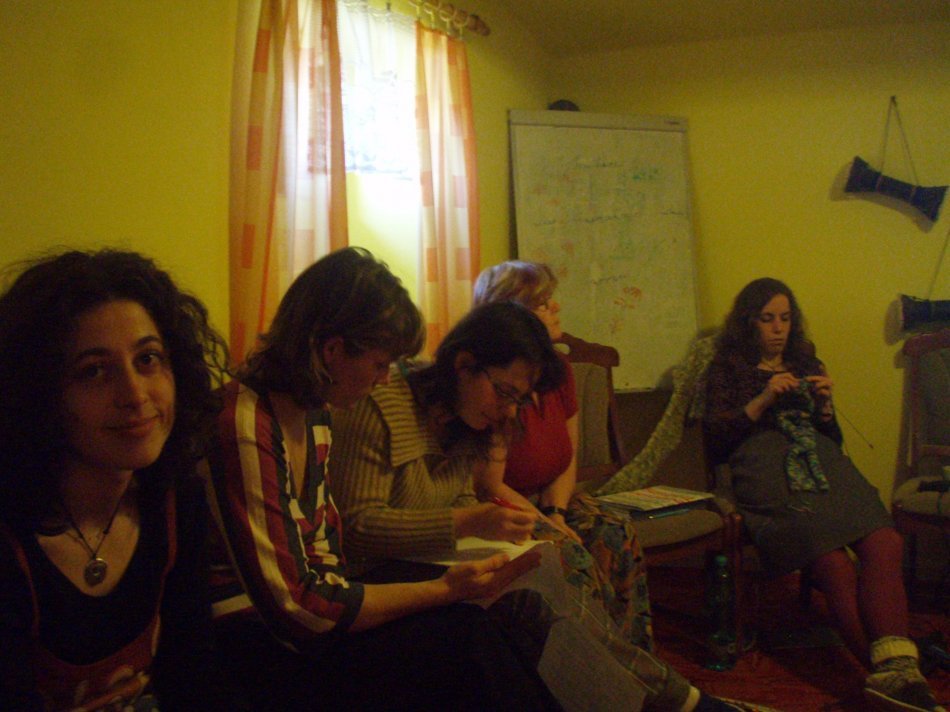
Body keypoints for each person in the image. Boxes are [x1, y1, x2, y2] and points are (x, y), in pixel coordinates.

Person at [331, 298, 768, 712]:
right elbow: (356, 528)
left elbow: (458, 496)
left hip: (427, 562)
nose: (509, 411)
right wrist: (468, 521)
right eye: (504, 392)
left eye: (518, 400)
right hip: (379, 579)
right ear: (463, 364)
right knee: (529, 605)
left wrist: (486, 526)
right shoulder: (381, 407)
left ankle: (665, 699)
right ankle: (677, 700)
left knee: (545, 571)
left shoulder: (467, 423)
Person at [204, 247, 560, 711]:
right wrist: (443, 590)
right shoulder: (245, 423)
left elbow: (325, 556)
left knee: (487, 626)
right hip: (254, 646)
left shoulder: (313, 414)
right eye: (379, 364)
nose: (386, 379)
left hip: (313, 625)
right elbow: (299, 609)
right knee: (465, 639)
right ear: (332, 350)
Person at [0, 249, 237, 710]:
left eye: (147, 359)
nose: (135, 394)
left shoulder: (175, 499)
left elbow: (194, 674)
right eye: (94, 371)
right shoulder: (11, 540)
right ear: (39, 392)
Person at [703, 277, 944, 712]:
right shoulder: (727, 367)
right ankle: (894, 676)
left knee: (884, 540)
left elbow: (830, 438)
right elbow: (716, 440)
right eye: (767, 319)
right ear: (748, 322)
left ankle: (896, 674)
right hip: (762, 465)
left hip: (821, 460)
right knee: (831, 561)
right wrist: (762, 399)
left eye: (785, 318)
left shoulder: (806, 360)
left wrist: (827, 407)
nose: (778, 328)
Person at [472, 259, 653, 649]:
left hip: (549, 500)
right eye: (543, 303)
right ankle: (591, 663)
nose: (556, 308)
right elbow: (490, 486)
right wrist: (548, 524)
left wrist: (556, 511)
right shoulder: (497, 382)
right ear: (515, 316)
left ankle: (636, 657)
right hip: (506, 508)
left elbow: (568, 455)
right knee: (570, 553)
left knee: (616, 531)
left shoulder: (558, 369)